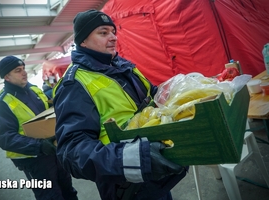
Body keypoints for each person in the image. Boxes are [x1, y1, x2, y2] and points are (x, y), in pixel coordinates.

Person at [53, 9, 188, 200]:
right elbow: (72, 151)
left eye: (113, 31)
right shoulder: (74, 83)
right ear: (83, 40)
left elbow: (152, 96)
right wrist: (138, 159)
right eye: (103, 32)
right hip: (126, 183)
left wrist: (182, 93)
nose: (113, 37)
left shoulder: (122, 65)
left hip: (156, 170)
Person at [0, 55, 78, 200]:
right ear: (7, 77)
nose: (24, 72)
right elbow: (5, 138)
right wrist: (39, 146)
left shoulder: (34, 90)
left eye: (23, 68)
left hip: (54, 151)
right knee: (49, 196)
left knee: (68, 190)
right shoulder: (2, 102)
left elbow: (47, 111)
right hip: (33, 160)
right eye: (18, 70)